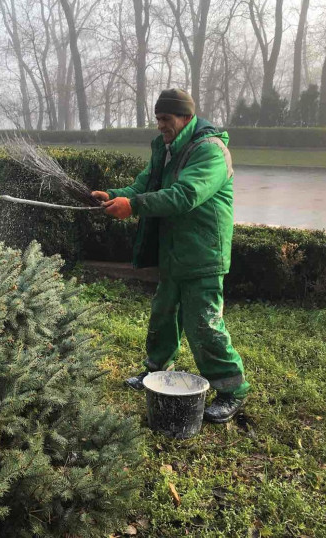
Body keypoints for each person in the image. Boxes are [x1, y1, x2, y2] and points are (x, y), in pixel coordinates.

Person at [91, 89, 250, 423]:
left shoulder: (211, 151)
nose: (161, 125)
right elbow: (144, 185)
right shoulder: (163, 149)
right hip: (175, 251)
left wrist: (133, 206)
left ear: (187, 118)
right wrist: (117, 196)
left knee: (203, 323)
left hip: (204, 251)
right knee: (164, 313)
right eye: (158, 119)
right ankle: (156, 370)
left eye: (167, 119)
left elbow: (186, 195)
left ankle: (232, 390)